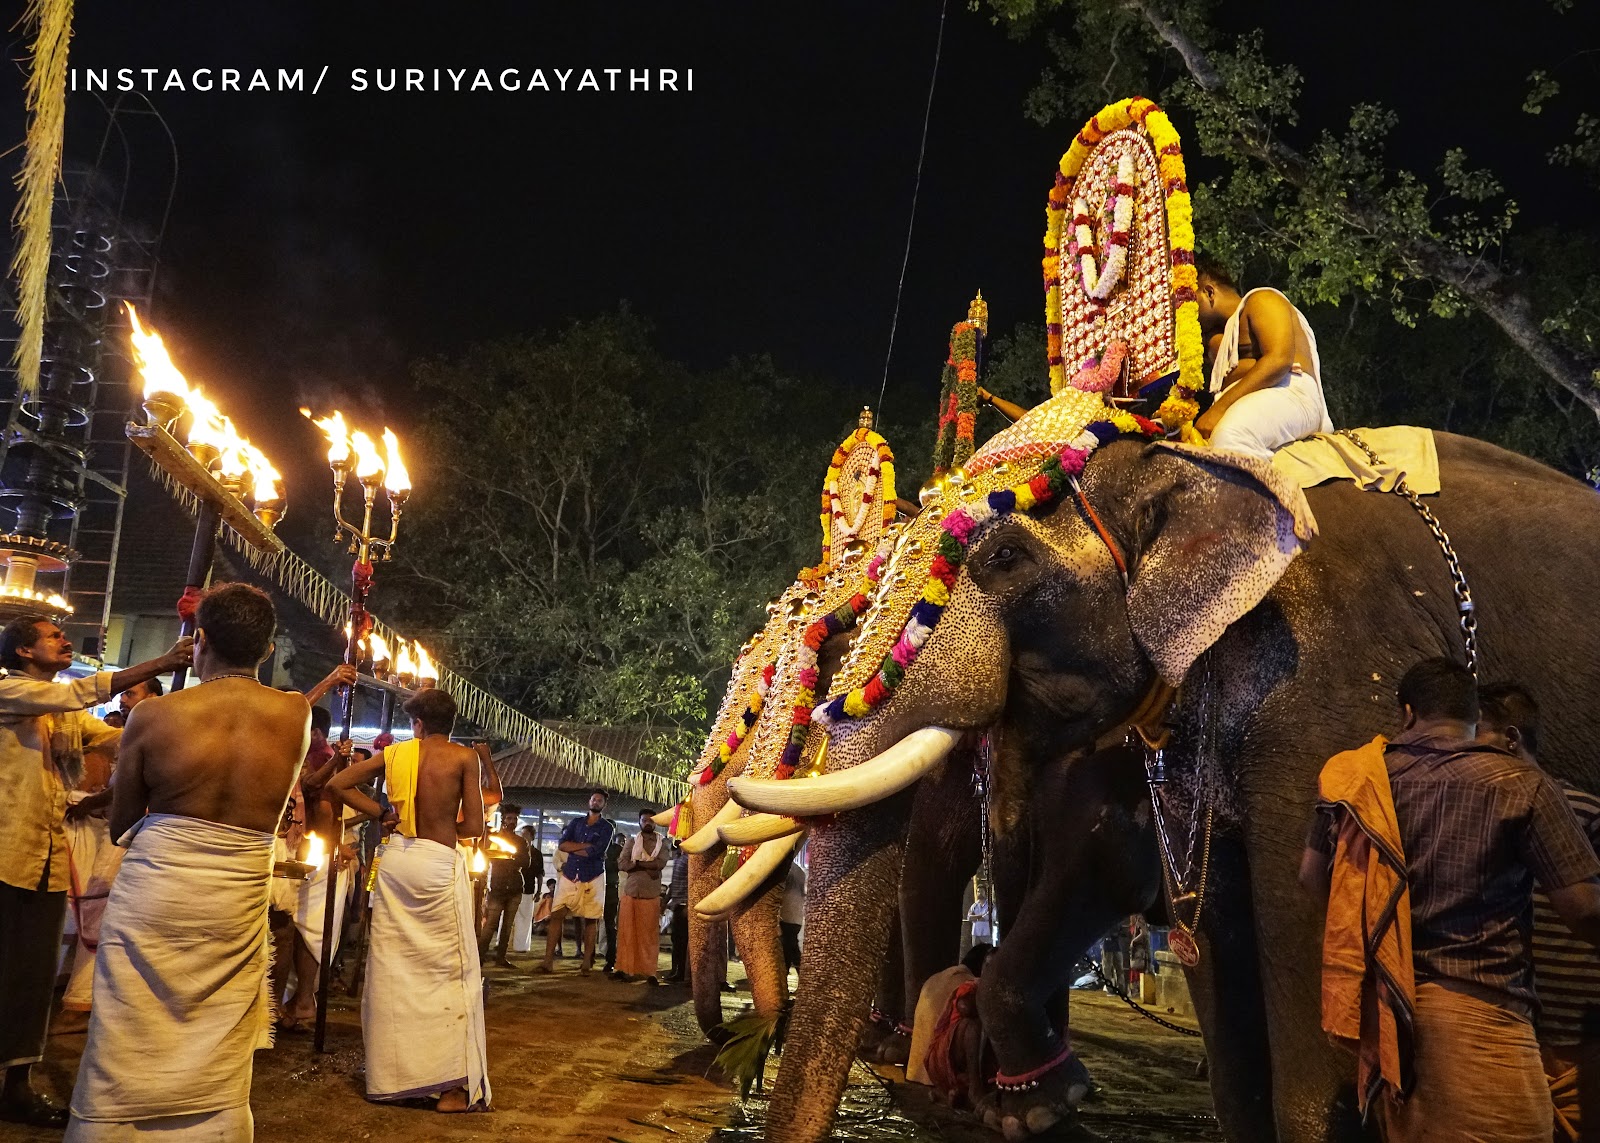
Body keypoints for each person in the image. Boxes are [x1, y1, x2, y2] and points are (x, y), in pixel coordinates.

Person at [1301, 658, 1600, 1139]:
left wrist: (1381, 937)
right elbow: (1583, 909)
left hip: (1391, 1024)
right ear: (1474, 719)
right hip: (1484, 1028)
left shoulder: (1355, 783)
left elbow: (1313, 879)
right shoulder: (1520, 785)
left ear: (1406, 713)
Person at [65, 584, 307, 1141]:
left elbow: (123, 821)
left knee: (131, 1024)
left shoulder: (152, 715)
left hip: (159, 888)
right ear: (267, 651)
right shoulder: (295, 713)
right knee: (217, 1028)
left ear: (198, 641)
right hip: (236, 894)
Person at [0, 615, 185, 1128]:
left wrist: (173, 718)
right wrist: (165, 662)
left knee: (34, 980)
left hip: (43, 862)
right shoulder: (11, 692)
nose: (64, 639)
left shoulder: (62, 716)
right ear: (21, 652)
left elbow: (116, 740)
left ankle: (17, 1085)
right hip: (5, 857)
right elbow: (79, 694)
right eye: (51, 635)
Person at [327, 687, 491, 1113]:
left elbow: (339, 782)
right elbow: (473, 825)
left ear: (417, 724)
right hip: (437, 863)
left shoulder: (397, 754)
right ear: (449, 724)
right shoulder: (462, 757)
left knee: (394, 970)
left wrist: (382, 812)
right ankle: (452, 1089)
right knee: (447, 971)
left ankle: (394, 1078)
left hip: (399, 862)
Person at [1477, 684, 1600, 1142]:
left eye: (1479, 739)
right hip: (1518, 1031)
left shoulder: (1586, 812)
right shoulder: (1480, 814)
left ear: (1511, 739)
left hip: (1574, 1038)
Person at [54, 681, 162, 1034]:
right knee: (91, 909)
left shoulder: (156, 731)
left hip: (131, 836)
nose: (122, 699)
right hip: (113, 831)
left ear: (153, 699)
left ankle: (81, 1001)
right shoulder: (131, 732)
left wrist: (89, 803)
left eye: (131, 694)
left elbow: (131, 787)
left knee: (96, 910)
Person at [271, 667, 360, 1031]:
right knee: (284, 928)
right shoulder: (269, 741)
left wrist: (339, 762)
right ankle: (279, 1003)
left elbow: (313, 787)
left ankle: (290, 1003)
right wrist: (326, 681)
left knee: (293, 929)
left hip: (304, 848)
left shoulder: (308, 753)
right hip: (273, 844)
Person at [1193, 254, 1334, 458]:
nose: (1182, 311)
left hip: (1290, 392)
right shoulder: (1218, 339)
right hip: (1250, 401)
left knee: (1230, 437)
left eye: (1186, 301)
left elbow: (1279, 361)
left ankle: (1278, 491)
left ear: (1208, 292)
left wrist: (1218, 410)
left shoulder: (1262, 299)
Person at [907, 943, 998, 1108]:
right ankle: (974, 1090)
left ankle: (949, 1093)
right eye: (989, 967)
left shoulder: (941, 976)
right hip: (940, 1059)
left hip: (920, 1070)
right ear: (981, 967)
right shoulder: (970, 983)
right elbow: (965, 1006)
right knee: (973, 1027)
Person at [539, 790, 615, 975]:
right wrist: (584, 846)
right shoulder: (576, 823)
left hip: (594, 876)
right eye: (594, 799)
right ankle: (547, 961)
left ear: (604, 805)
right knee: (557, 915)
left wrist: (575, 849)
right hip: (571, 874)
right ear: (589, 801)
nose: (596, 802)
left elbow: (597, 852)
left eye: (600, 800)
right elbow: (562, 845)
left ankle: (586, 963)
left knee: (591, 919)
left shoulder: (607, 828)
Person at [614, 809, 670, 984]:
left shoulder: (662, 844)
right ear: (639, 822)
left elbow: (660, 863)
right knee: (627, 933)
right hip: (631, 892)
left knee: (649, 936)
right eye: (644, 820)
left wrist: (637, 863)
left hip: (651, 894)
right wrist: (644, 865)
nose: (647, 823)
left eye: (650, 821)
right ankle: (626, 969)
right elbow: (622, 863)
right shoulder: (631, 842)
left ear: (655, 823)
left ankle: (649, 972)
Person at [479, 803, 530, 967]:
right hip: (497, 886)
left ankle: (500, 957)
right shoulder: (494, 838)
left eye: (515, 818)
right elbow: (489, 857)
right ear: (503, 819)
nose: (512, 821)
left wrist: (511, 857)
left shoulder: (520, 841)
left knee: (507, 926)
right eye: (509, 818)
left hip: (515, 887)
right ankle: (480, 956)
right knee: (490, 924)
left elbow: (526, 862)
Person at [511, 825, 544, 954]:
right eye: (522, 834)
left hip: (528, 888)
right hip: (514, 887)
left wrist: (539, 891)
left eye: (525, 834)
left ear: (531, 836)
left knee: (525, 918)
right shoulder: (516, 851)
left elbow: (540, 874)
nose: (522, 836)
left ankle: (521, 946)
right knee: (508, 917)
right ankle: (503, 943)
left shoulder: (537, 854)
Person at [664, 840, 690, 984]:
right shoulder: (680, 859)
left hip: (683, 905)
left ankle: (680, 973)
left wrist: (688, 905)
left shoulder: (689, 860)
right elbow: (674, 883)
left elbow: (692, 883)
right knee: (677, 940)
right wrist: (666, 900)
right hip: (677, 904)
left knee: (681, 941)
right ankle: (676, 971)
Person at [602, 831, 624, 974]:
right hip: (616, 890)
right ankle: (613, 959)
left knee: (609, 926)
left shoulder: (605, 850)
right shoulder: (618, 850)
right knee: (613, 927)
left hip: (608, 890)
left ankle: (610, 959)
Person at [781, 857, 805, 977]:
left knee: (788, 949)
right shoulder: (799, 870)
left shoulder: (786, 869)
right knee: (791, 947)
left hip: (786, 915)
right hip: (796, 917)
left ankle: (784, 977)